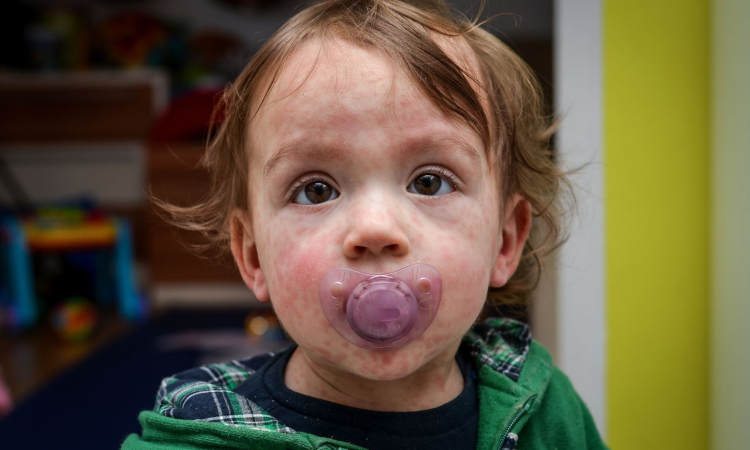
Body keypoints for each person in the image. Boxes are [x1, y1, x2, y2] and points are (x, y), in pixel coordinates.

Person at [123, 1, 607, 449]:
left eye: (431, 182)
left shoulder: (546, 410)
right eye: (316, 190)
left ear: (505, 241)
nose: (375, 228)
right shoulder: (197, 441)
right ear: (253, 256)